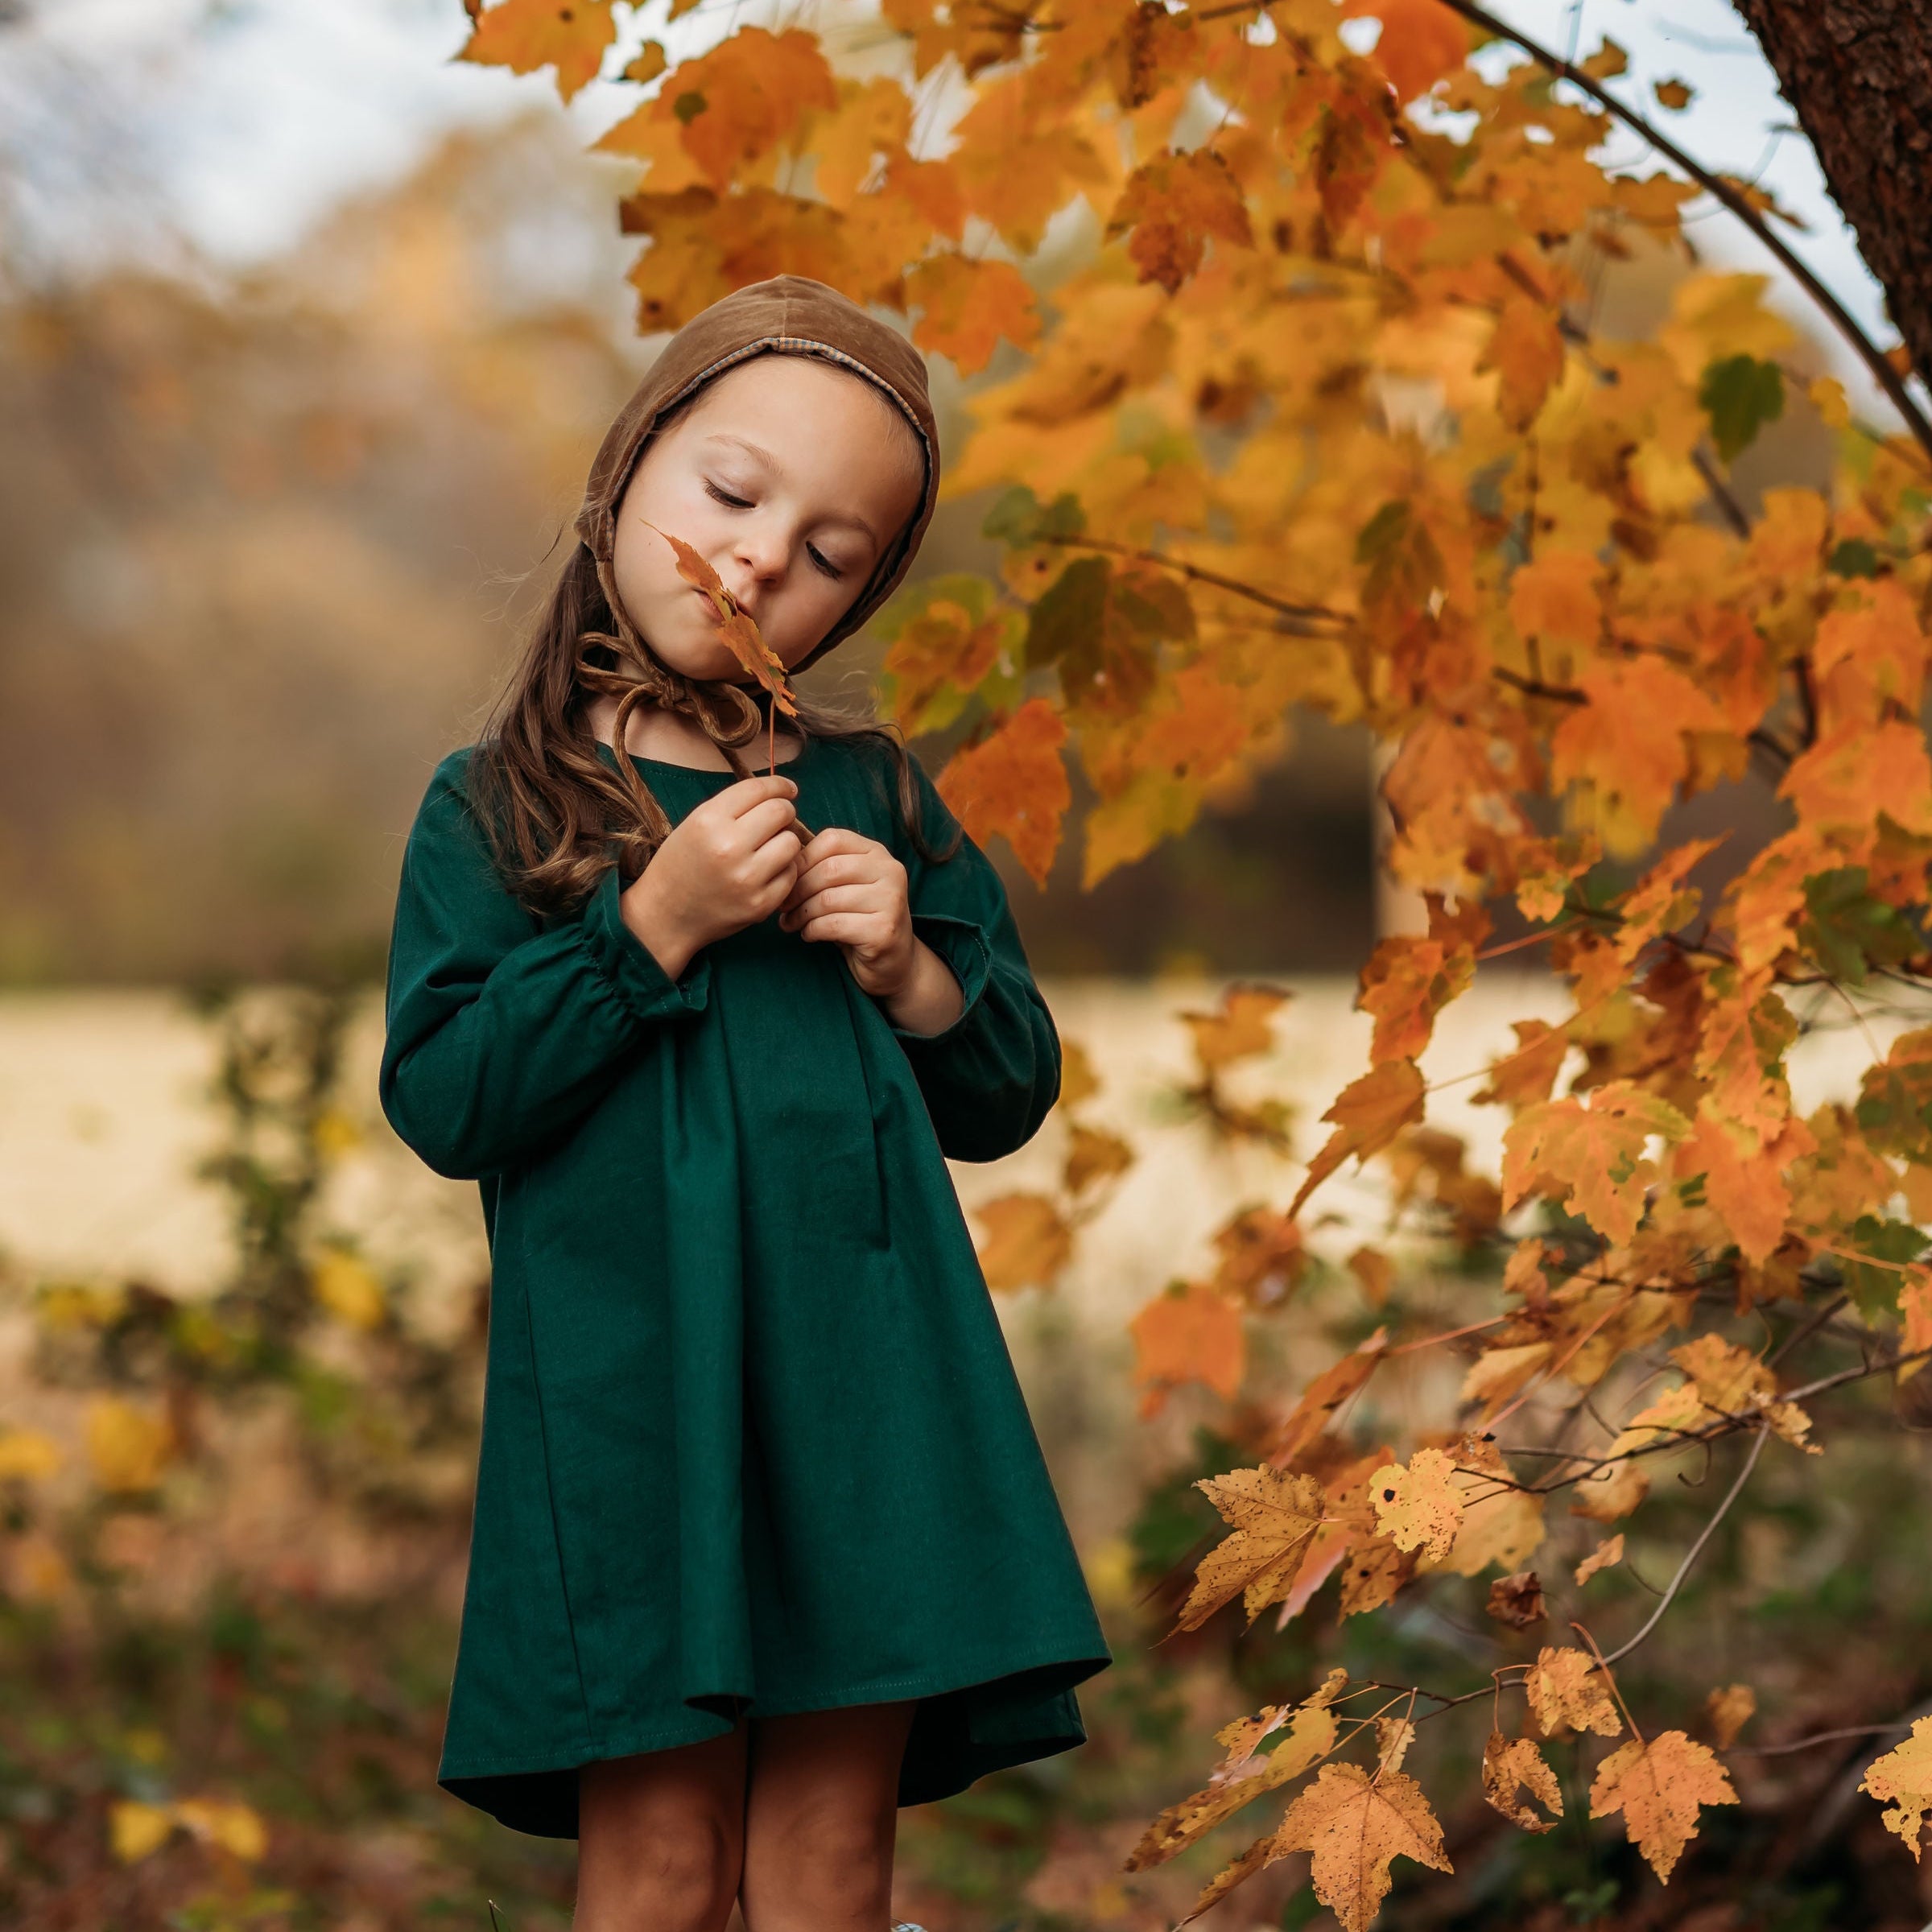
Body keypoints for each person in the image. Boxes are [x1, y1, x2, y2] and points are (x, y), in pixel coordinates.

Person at [378, 275, 1112, 1932]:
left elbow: (1005, 1092)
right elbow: (445, 1096)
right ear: (629, 471)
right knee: (657, 1866)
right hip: (637, 1415)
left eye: (834, 551)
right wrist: (650, 928)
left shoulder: (871, 793)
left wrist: (916, 973)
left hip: (869, 1407)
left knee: (829, 1869)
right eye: (731, 492)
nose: (769, 555)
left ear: (854, 600)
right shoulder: (499, 806)